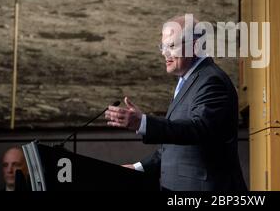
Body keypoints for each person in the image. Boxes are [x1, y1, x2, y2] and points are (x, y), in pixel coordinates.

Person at [105, 15, 247, 191]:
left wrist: (143, 123)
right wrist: (138, 168)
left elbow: (198, 129)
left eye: (171, 46)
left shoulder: (211, 81)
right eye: (163, 47)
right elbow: (173, 146)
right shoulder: (187, 81)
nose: (165, 53)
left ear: (195, 46)